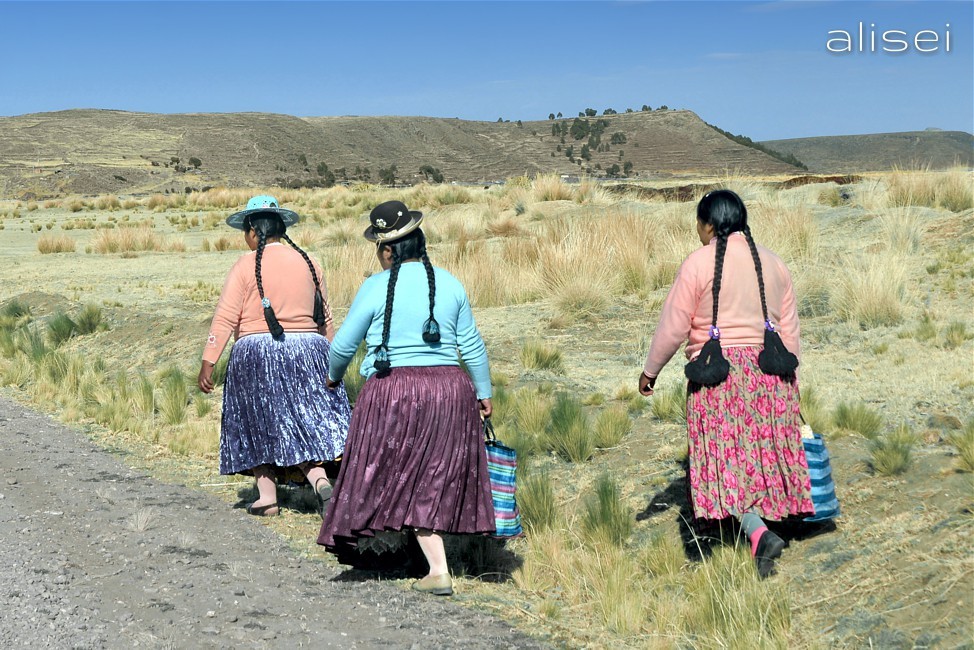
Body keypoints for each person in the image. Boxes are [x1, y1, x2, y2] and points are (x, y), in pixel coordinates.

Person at [317, 200, 494, 597]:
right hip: (451, 391)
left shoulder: (375, 287)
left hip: (393, 392)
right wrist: (483, 393)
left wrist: (332, 376)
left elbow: (345, 343)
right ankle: (431, 563)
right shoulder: (450, 283)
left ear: (386, 250)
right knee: (430, 472)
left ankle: (420, 560)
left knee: (387, 468)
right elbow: (472, 346)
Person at [638, 189, 815, 578]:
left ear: (710, 224)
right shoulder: (774, 263)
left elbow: (673, 326)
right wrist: (793, 384)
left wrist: (651, 371)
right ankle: (772, 522)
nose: (697, 231)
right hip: (771, 375)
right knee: (759, 453)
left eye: (699, 224)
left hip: (718, 377)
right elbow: (790, 332)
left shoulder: (698, 264)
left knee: (726, 458)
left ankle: (754, 532)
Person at [198, 195, 351, 518]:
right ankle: (320, 480)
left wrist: (209, 360)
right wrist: (333, 361)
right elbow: (325, 318)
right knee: (303, 420)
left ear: (254, 231)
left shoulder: (244, 264)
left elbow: (226, 316)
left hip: (256, 352)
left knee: (257, 420)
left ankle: (267, 497)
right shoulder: (310, 262)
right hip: (310, 350)